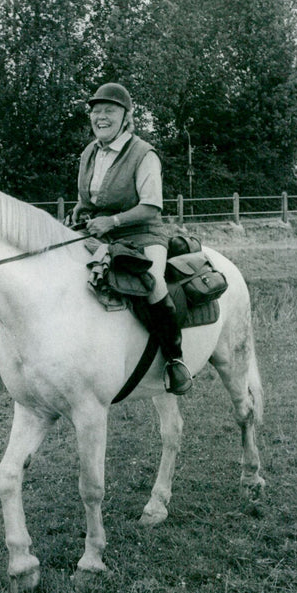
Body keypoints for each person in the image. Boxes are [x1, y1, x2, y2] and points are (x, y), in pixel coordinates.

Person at [70, 82, 192, 395]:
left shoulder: (143, 153)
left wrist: (113, 220)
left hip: (142, 233)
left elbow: (151, 205)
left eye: (109, 110)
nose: (101, 117)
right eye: (96, 111)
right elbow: (88, 200)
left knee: (153, 282)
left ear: (126, 116)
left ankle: (174, 360)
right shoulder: (89, 152)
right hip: (99, 233)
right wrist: (77, 216)